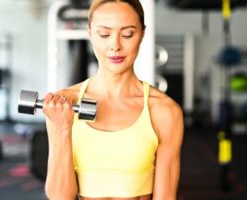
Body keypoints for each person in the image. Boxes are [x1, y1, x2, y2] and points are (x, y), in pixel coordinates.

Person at [43, 0, 184, 199]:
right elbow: (60, 197)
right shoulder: (64, 104)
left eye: (127, 34)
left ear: (142, 34)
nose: (115, 46)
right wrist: (62, 129)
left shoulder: (164, 111)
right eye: (104, 34)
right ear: (90, 32)